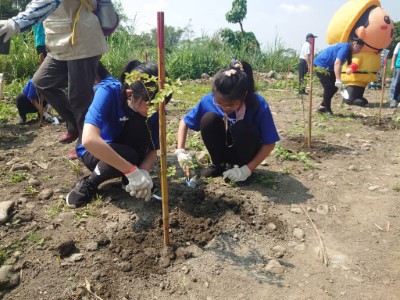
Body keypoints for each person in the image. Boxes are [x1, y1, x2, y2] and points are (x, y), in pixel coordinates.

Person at [0, 0, 108, 144]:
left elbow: (48, 2)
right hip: (58, 43)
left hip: (82, 40)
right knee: (41, 82)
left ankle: (86, 144)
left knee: (79, 97)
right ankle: (75, 125)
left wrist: (16, 23)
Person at [66, 60, 171, 208]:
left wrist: (143, 172)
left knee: (136, 140)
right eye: (152, 104)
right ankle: (91, 182)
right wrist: (132, 171)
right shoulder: (109, 91)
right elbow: (89, 140)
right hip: (96, 151)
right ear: (130, 94)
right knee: (128, 155)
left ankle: (126, 178)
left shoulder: (154, 111)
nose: (157, 109)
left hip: (129, 152)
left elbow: (152, 150)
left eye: (162, 104)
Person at [175, 60, 280, 182]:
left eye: (231, 105)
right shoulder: (208, 101)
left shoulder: (258, 104)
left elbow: (270, 143)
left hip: (246, 151)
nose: (225, 108)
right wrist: (180, 150)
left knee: (243, 127)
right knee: (209, 119)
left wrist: (247, 169)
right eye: (219, 103)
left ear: (244, 95)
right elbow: (184, 122)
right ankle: (218, 165)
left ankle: (241, 168)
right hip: (223, 149)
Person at [313, 38, 364, 116]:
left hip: (329, 67)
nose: (359, 50)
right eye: (358, 48)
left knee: (334, 87)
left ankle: (322, 106)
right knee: (329, 87)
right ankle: (327, 110)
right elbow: (337, 63)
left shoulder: (349, 51)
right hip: (321, 65)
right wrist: (338, 79)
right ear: (354, 43)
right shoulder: (345, 48)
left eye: (360, 49)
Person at [388, 42, 400, 108]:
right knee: (396, 83)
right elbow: (394, 55)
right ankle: (393, 99)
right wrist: (392, 64)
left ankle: (398, 100)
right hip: (399, 66)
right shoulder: (399, 44)